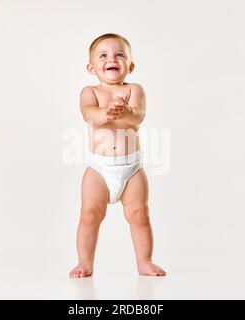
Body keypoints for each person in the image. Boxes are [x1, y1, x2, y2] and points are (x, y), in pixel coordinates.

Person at [70, 33, 166, 278]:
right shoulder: (89, 92)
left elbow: (138, 117)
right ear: (91, 67)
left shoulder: (134, 90)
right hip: (99, 169)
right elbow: (89, 115)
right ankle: (85, 262)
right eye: (103, 55)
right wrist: (107, 113)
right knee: (89, 214)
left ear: (130, 65)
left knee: (139, 214)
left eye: (119, 54)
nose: (112, 59)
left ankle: (145, 261)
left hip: (131, 168)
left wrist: (125, 111)